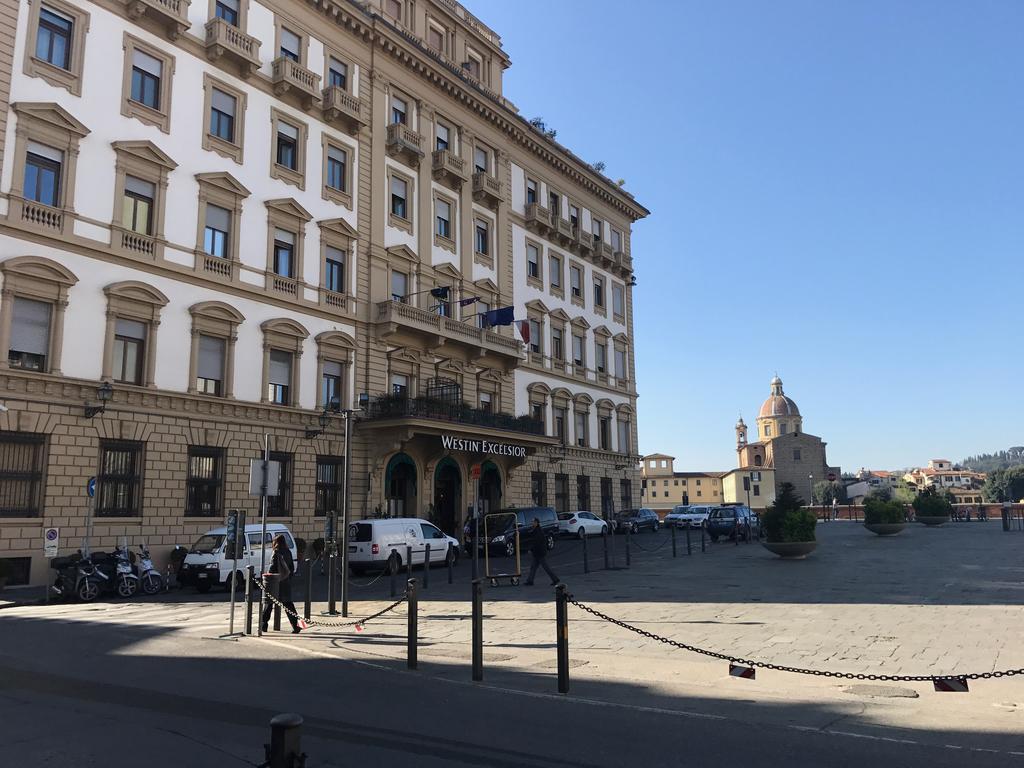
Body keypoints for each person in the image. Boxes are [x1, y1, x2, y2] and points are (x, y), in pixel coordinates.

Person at [261, 534, 301, 634]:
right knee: (289, 605)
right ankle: (297, 626)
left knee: (268, 604)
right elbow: (291, 568)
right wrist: (287, 578)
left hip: (275, 582)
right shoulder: (288, 552)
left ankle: (263, 626)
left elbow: (272, 567)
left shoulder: (276, 552)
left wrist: (267, 578)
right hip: (285, 582)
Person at [523, 518, 559, 587]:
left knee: (545, 567)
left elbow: (536, 542)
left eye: (533, 522)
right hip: (538, 552)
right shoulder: (536, 530)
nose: (532, 523)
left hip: (540, 552)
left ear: (536, 523)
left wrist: (531, 549)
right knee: (533, 567)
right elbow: (532, 536)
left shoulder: (538, 531)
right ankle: (530, 580)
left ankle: (555, 579)